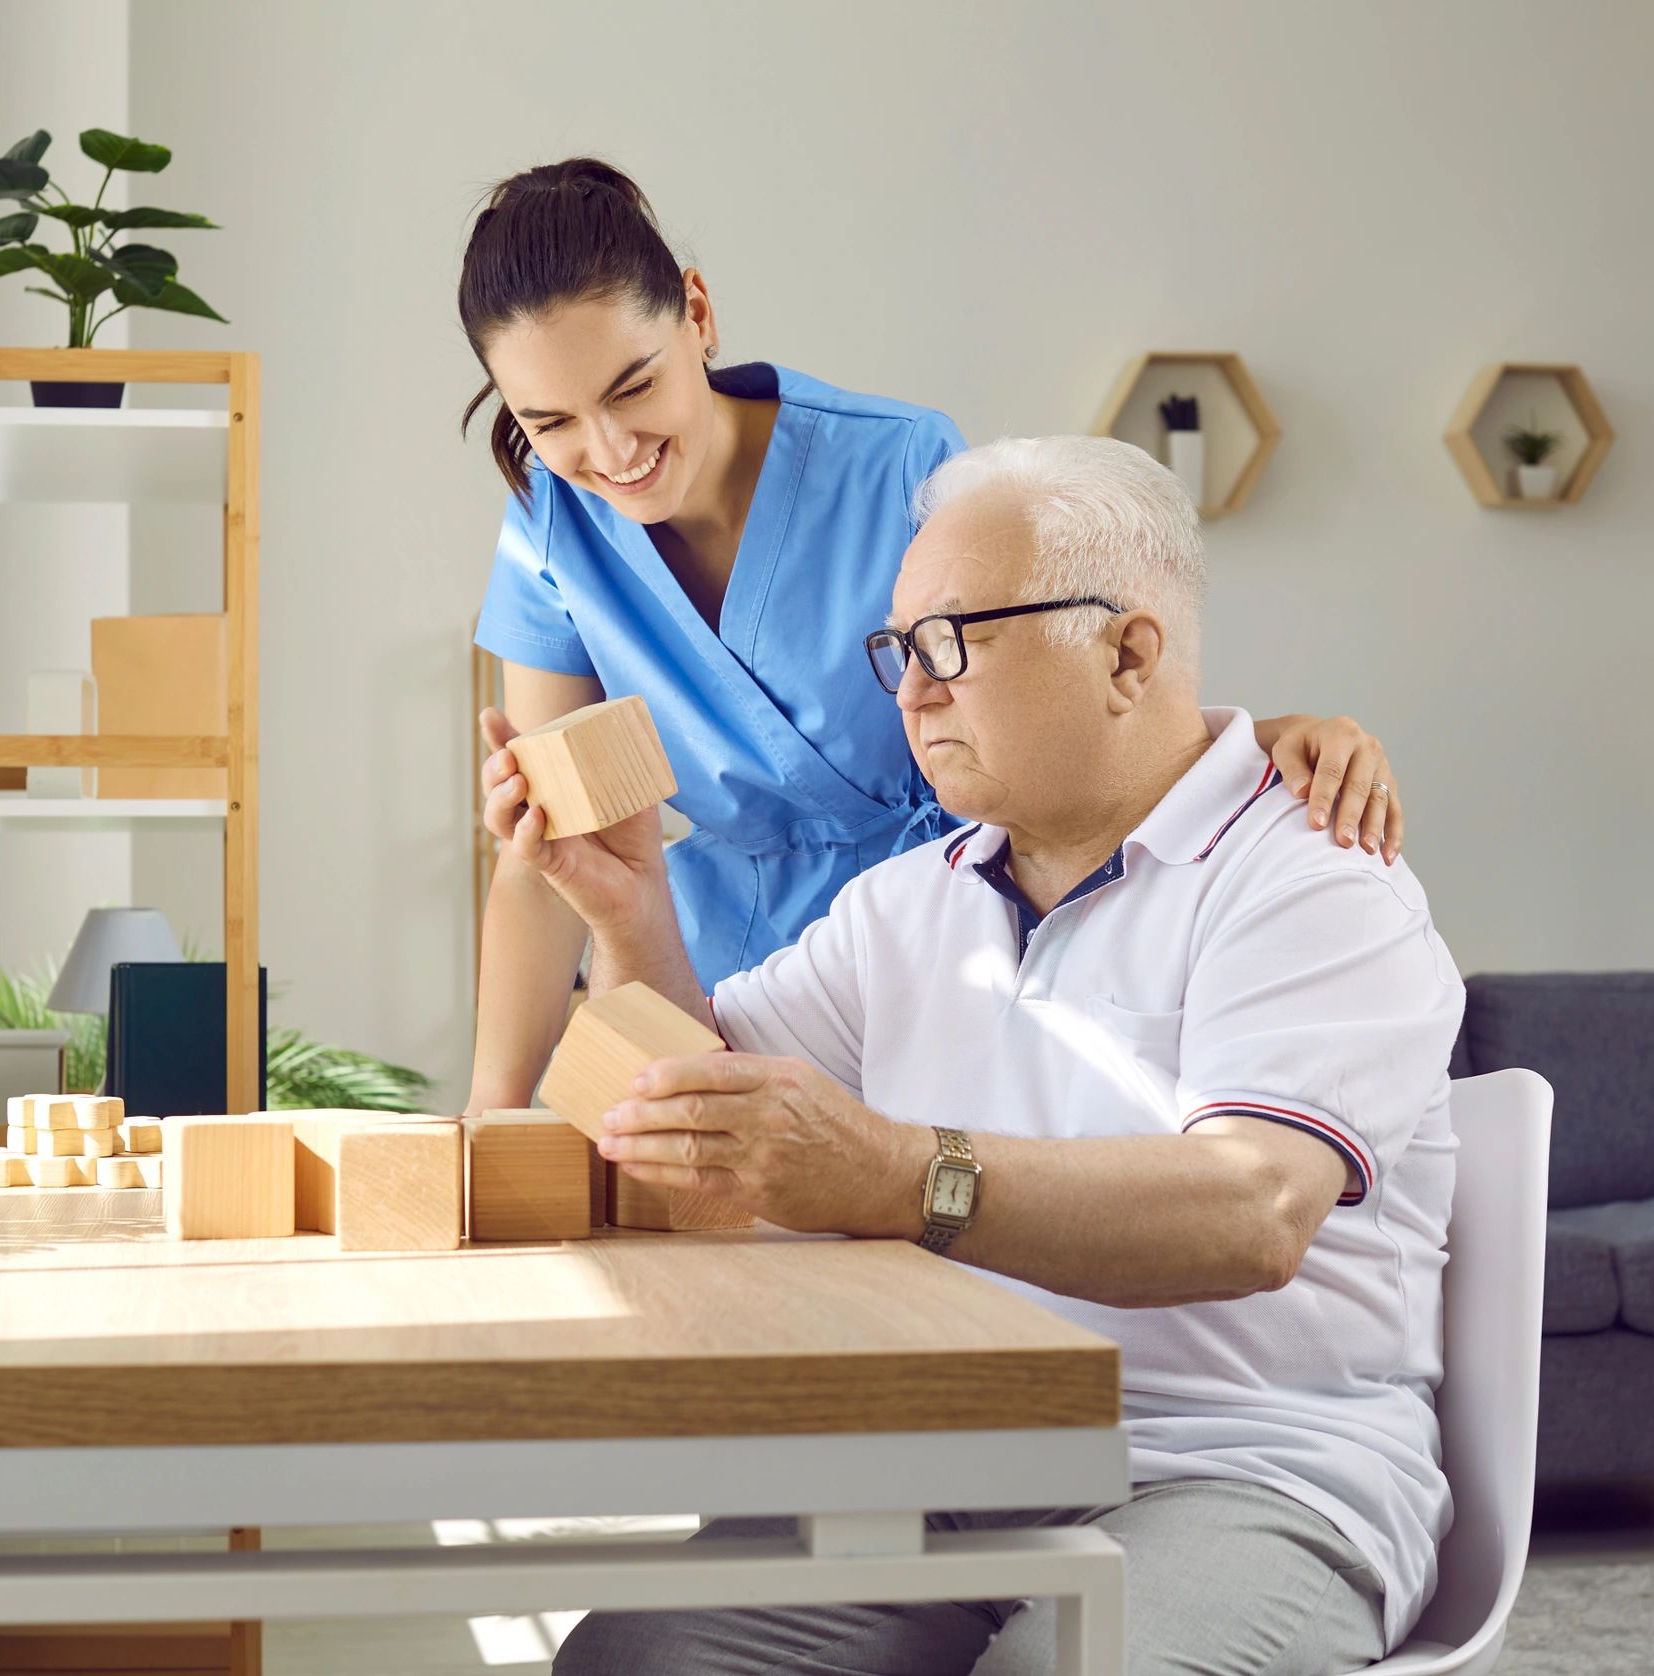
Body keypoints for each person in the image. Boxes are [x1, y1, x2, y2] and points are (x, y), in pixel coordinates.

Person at [490, 435, 1464, 1676]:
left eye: (954, 640)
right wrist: (628, 910)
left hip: (1247, 1468)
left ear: (1128, 651)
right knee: (637, 1662)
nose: (911, 690)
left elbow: (1252, 1210)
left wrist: (897, 1174)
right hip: (946, 1460)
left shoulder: (1313, 876)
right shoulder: (910, 905)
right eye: (898, 649)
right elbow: (681, 1111)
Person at [460, 158, 1408, 1117]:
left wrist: (1242, 744)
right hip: (712, 972)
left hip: (937, 952)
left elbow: (1055, 678)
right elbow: (547, 857)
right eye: (551, 422)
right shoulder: (549, 526)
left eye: (633, 388)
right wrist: (483, 1123)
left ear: (696, 315)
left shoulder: (896, 464)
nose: (611, 451)